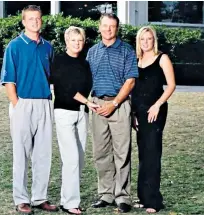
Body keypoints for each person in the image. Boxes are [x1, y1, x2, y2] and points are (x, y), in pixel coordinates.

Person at [0, 5, 58, 214]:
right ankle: (21, 199)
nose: (34, 22)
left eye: (38, 18)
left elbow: (52, 76)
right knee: (21, 154)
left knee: (43, 154)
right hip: (22, 103)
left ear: (41, 21)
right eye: (30, 19)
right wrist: (18, 105)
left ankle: (39, 197)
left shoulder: (47, 47)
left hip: (44, 102)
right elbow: (8, 81)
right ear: (23, 22)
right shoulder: (14, 47)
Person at [86, 13, 139, 213]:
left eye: (112, 26)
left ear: (117, 28)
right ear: (99, 27)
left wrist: (115, 103)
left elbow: (130, 81)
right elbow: (87, 79)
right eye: (105, 26)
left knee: (122, 152)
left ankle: (123, 197)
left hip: (120, 104)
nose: (108, 29)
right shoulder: (92, 52)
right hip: (98, 105)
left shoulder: (126, 50)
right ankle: (106, 194)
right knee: (101, 153)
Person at [51, 26, 99, 215]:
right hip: (64, 112)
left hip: (82, 113)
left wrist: (89, 103)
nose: (77, 43)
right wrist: (87, 101)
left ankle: (67, 198)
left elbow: (88, 86)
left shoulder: (85, 63)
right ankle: (70, 203)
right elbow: (66, 88)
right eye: (73, 40)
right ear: (66, 41)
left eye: (80, 40)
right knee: (70, 158)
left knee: (79, 159)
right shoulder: (59, 61)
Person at [132, 26, 176, 213]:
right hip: (139, 112)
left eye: (149, 39)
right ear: (139, 41)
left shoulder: (162, 58)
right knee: (143, 153)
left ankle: (154, 201)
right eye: (143, 39)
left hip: (155, 111)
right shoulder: (136, 60)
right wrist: (133, 114)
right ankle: (143, 197)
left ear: (154, 40)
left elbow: (171, 85)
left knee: (152, 153)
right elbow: (132, 88)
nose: (146, 42)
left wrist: (157, 105)